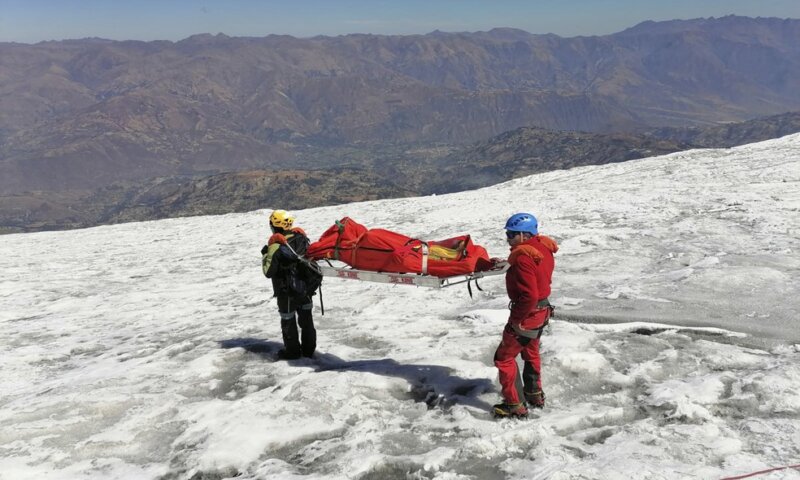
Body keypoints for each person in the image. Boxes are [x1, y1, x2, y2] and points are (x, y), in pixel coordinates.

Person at [493, 212, 558, 418]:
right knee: (531, 352)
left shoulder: (523, 257)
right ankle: (534, 393)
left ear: (523, 234)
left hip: (528, 315)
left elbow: (529, 295)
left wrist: (516, 321)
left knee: (504, 358)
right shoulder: (542, 248)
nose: (508, 239)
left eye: (511, 235)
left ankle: (514, 404)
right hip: (542, 312)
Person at [261, 209, 320, 360]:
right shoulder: (301, 237)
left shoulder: (275, 246)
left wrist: (265, 255)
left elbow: (268, 272)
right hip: (306, 288)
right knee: (306, 319)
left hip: (286, 291)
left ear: (274, 225)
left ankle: (292, 353)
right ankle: (309, 351)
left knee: (288, 320)